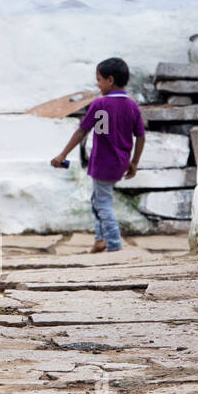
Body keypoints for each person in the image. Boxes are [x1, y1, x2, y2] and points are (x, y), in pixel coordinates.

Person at [50, 57, 146, 253]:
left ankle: (113, 244)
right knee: (98, 199)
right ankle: (100, 239)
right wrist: (134, 162)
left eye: (99, 79)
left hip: (102, 163)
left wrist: (62, 155)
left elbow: (81, 131)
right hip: (121, 162)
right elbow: (141, 136)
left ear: (110, 80)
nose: (97, 83)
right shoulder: (132, 106)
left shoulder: (99, 104)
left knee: (103, 204)